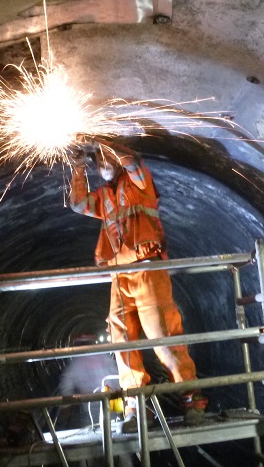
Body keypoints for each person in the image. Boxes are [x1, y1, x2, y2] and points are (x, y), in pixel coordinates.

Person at [68, 140, 207, 433]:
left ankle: (192, 398)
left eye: (105, 161)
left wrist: (101, 142)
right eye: (98, 163)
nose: (101, 166)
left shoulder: (140, 184)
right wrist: (79, 165)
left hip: (147, 269)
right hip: (119, 275)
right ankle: (136, 406)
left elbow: (131, 161)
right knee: (122, 339)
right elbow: (78, 203)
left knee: (162, 336)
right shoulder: (105, 197)